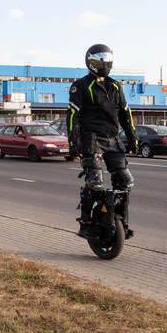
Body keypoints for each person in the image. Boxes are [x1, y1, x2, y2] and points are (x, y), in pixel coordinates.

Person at [67, 44, 137, 218]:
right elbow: (73, 115)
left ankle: (118, 219)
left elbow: (125, 114)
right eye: (100, 60)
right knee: (95, 181)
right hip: (90, 139)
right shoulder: (81, 86)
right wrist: (73, 143)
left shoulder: (115, 86)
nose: (104, 64)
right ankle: (88, 219)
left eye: (107, 59)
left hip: (113, 138)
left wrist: (132, 139)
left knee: (126, 181)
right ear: (90, 61)